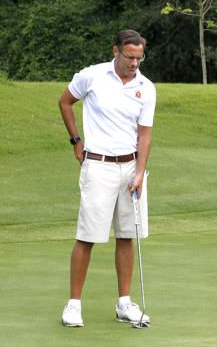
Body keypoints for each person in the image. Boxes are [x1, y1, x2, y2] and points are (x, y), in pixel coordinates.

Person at [57, 29, 156, 327]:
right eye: (129, 57)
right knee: (87, 236)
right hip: (98, 165)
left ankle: (124, 303)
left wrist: (139, 173)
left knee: (127, 235)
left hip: (130, 168)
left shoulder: (146, 88)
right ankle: (74, 305)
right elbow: (65, 102)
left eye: (139, 58)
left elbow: (145, 136)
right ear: (116, 51)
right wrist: (76, 141)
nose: (134, 63)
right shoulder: (92, 76)